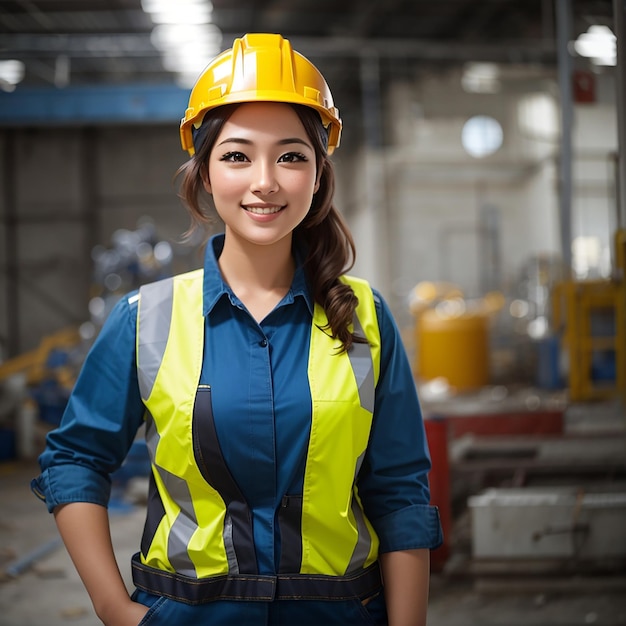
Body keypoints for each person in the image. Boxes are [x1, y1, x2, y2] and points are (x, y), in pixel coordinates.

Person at [31, 33, 443, 626]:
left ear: (319, 174)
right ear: (203, 172)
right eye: (237, 155)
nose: (265, 181)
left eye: (291, 155)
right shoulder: (146, 320)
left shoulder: (365, 318)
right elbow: (74, 460)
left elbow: (400, 490)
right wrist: (115, 610)